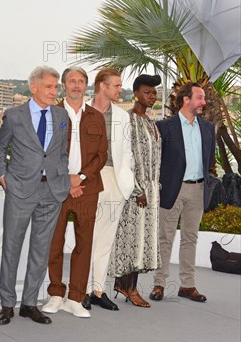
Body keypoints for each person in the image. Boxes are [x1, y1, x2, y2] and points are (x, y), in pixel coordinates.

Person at [0, 66, 70, 326]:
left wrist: (62, 177)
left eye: (56, 87)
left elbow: (60, 152)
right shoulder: (14, 115)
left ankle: (29, 303)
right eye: (48, 86)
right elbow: (0, 147)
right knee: (11, 248)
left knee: (40, 250)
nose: (54, 91)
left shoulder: (61, 115)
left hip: (52, 191)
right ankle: (6, 304)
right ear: (34, 87)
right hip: (20, 190)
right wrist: (3, 176)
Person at [43, 66, 107, 318]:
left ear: (86, 85)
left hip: (87, 189)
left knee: (84, 244)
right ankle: (56, 294)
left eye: (81, 81)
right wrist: (66, 180)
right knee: (54, 242)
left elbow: (102, 155)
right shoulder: (51, 114)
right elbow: (45, 152)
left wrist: (79, 178)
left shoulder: (96, 116)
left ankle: (76, 298)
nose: (76, 85)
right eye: (72, 81)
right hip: (57, 188)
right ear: (64, 85)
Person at [149, 82, 216, 303]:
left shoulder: (207, 128)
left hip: (198, 190)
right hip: (172, 190)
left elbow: (210, 161)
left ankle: (187, 286)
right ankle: (159, 283)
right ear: (186, 99)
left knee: (190, 238)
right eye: (199, 98)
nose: (203, 102)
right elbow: (155, 162)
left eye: (203, 98)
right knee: (164, 237)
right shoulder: (164, 127)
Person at [108, 74, 163, 308]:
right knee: (131, 239)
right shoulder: (128, 120)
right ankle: (127, 287)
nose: (152, 96)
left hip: (151, 190)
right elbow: (126, 160)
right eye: (147, 92)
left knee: (142, 240)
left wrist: (154, 188)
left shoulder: (151, 121)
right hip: (135, 191)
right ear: (136, 94)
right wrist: (137, 189)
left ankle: (126, 285)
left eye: (154, 92)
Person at [84, 68, 135, 311]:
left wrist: (128, 181)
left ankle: (97, 290)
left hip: (115, 180)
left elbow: (128, 152)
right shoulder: (81, 111)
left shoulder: (123, 116)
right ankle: (80, 290)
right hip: (88, 179)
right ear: (102, 86)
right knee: (85, 237)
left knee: (105, 239)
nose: (120, 89)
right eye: (116, 85)